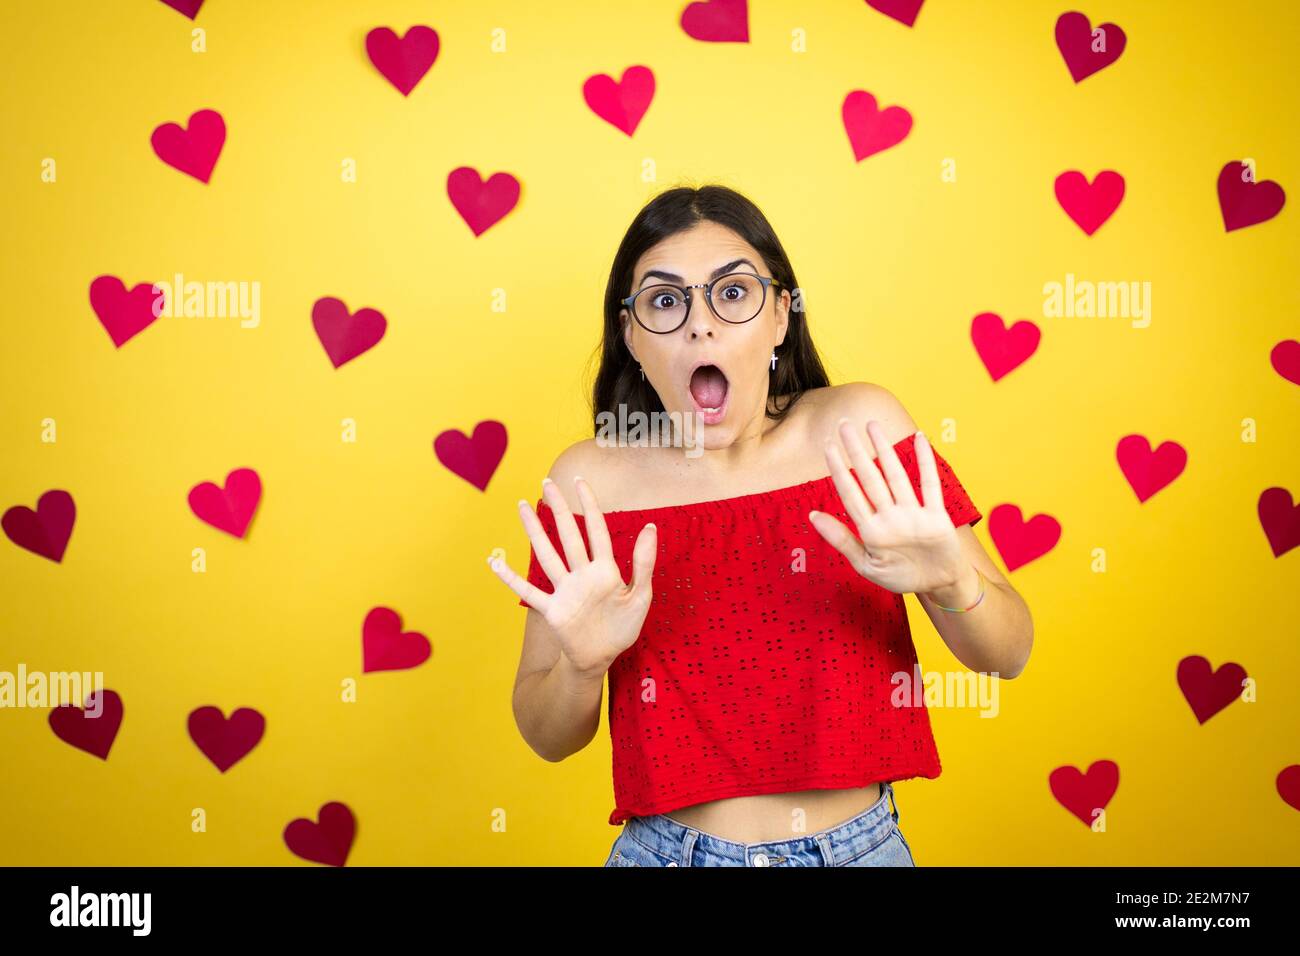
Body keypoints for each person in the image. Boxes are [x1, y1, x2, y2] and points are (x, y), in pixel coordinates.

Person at [489, 184, 1034, 866]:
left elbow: (1008, 655)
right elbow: (547, 734)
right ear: (629, 335)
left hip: (860, 851)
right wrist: (582, 664)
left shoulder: (861, 431)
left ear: (780, 314)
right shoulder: (587, 484)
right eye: (665, 300)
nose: (700, 326)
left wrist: (954, 583)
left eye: (733, 293)